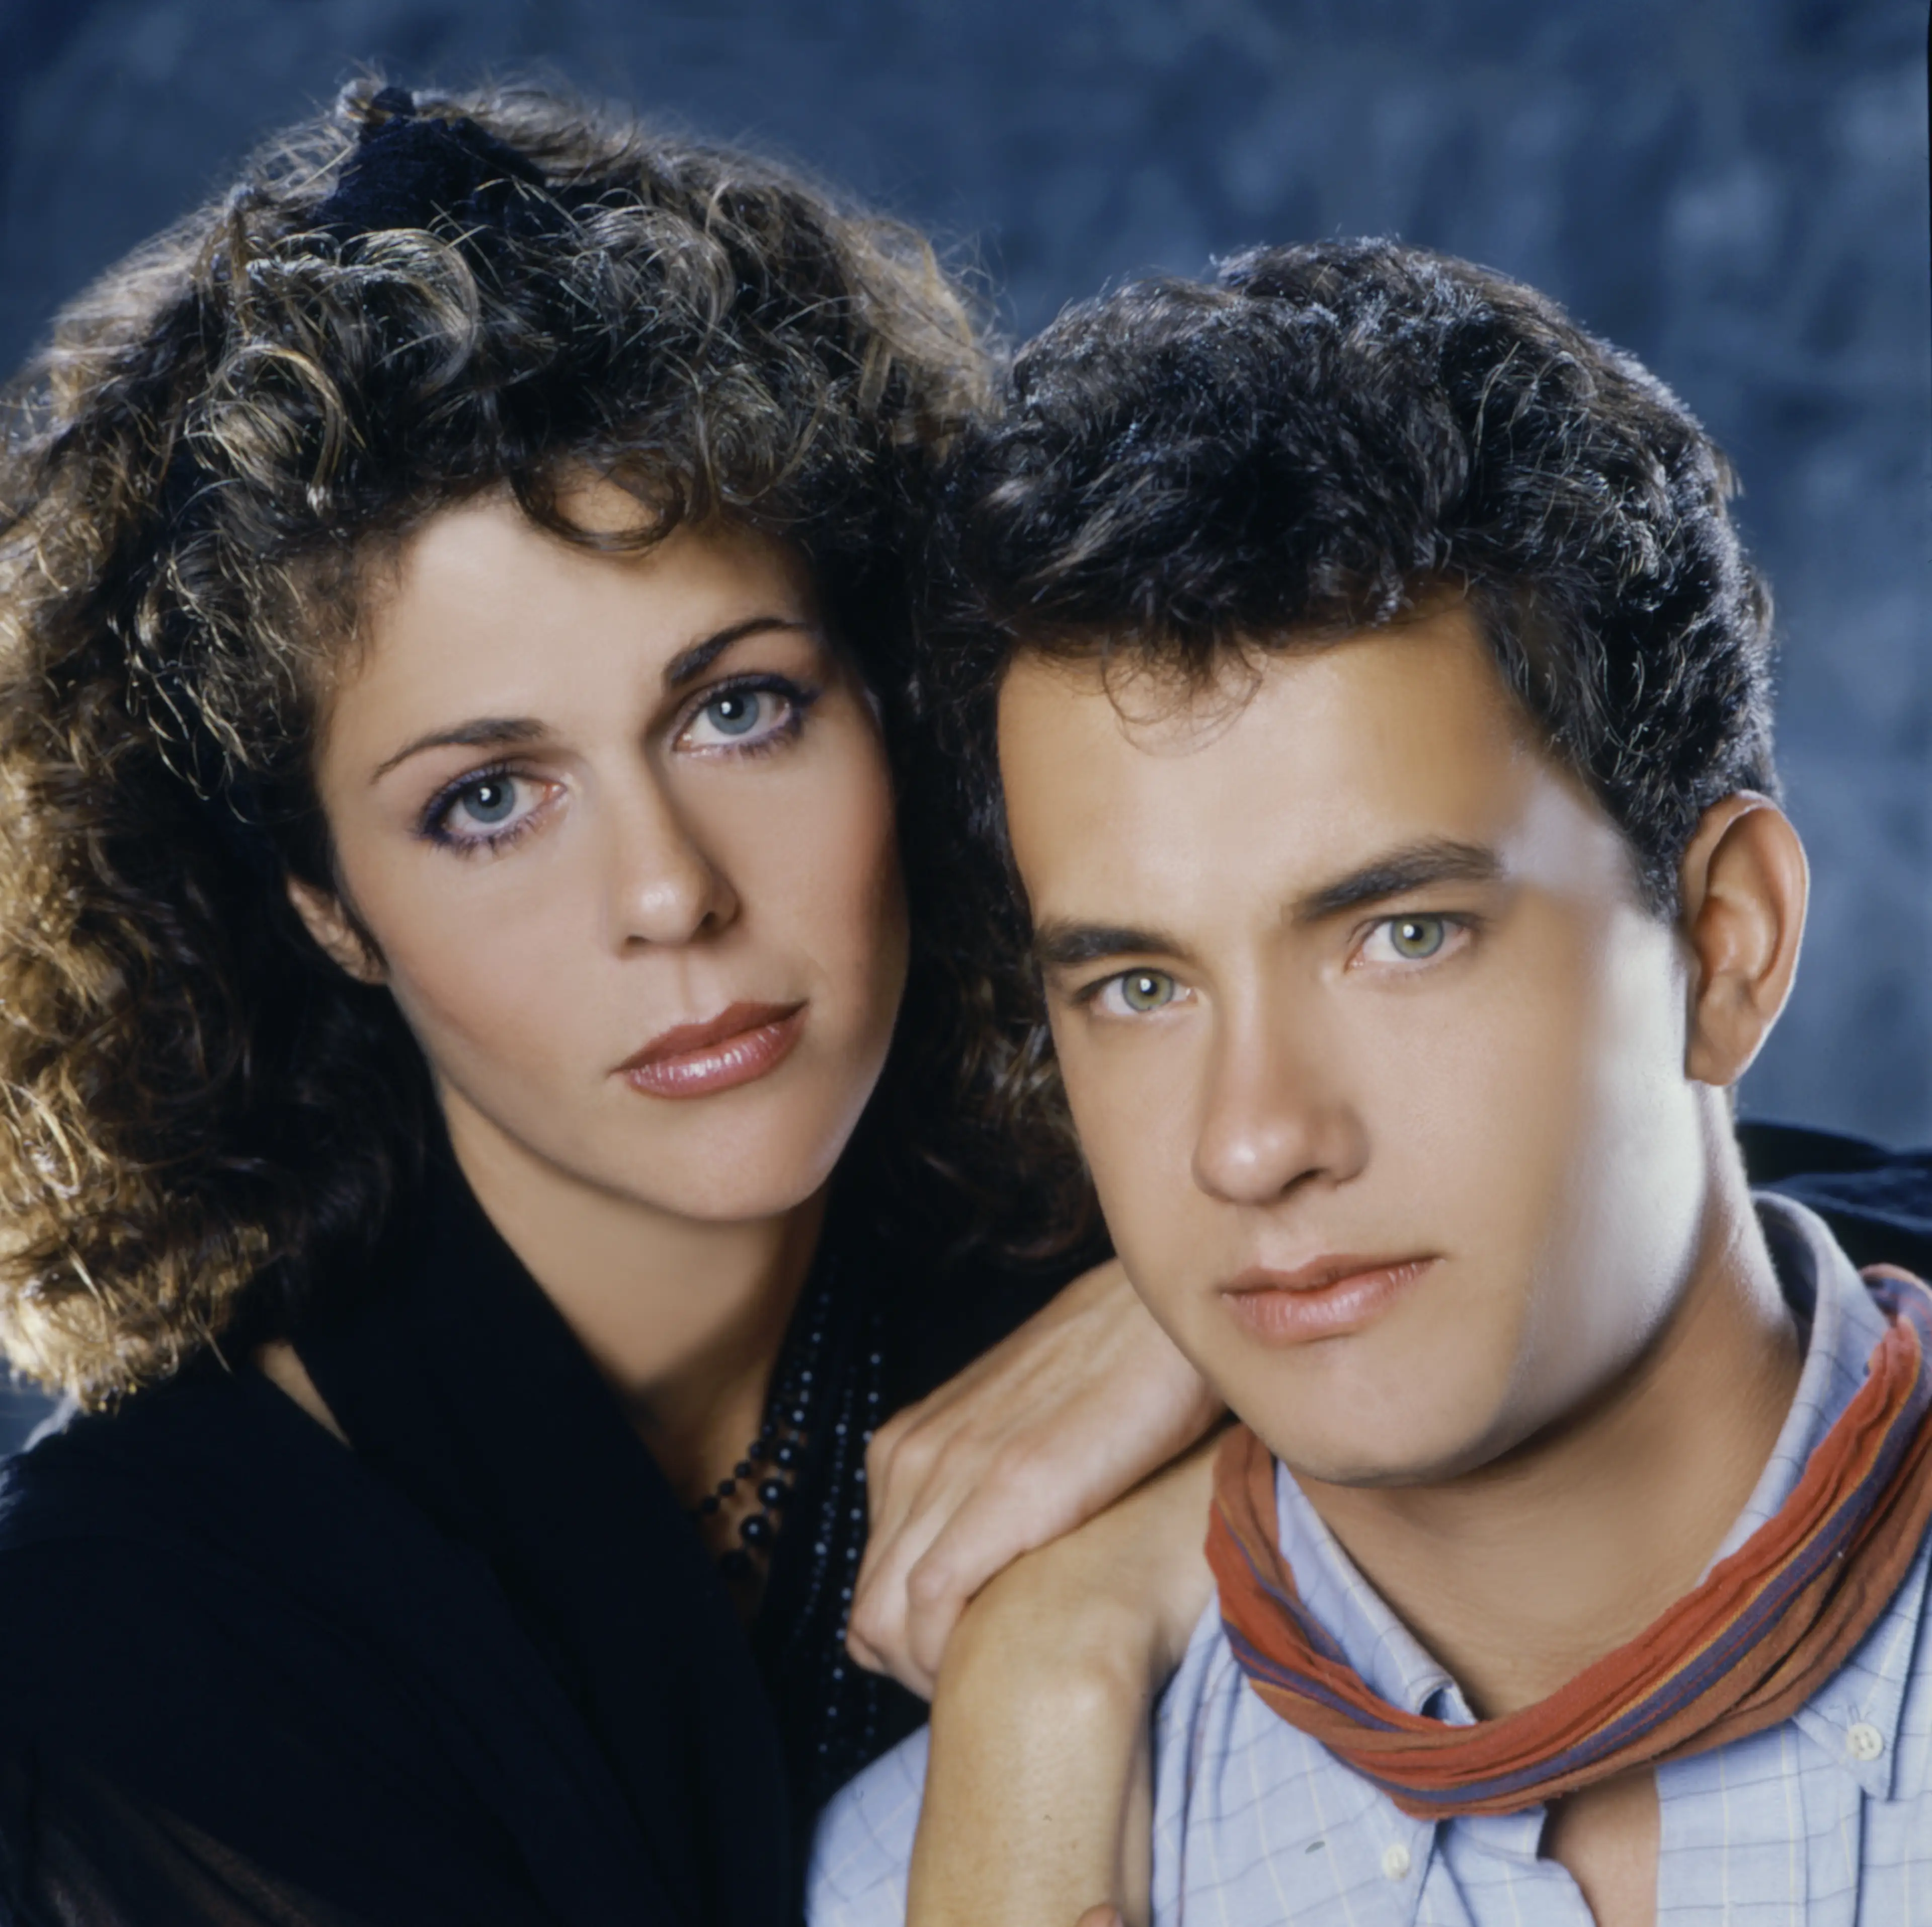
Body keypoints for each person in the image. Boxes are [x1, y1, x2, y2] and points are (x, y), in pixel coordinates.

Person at [0, 78, 1223, 1925]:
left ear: (896, 697)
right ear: (326, 907)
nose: (670, 891)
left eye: (739, 706)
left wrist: (1214, 1319)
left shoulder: (1115, 1260)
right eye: (488, 801)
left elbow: (1772, 1252)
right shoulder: (135, 1637)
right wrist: (1060, 1674)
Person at [809, 240, 1932, 1923]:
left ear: (1726, 943)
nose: (1256, 1140)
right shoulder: (936, 1871)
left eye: (1403, 934)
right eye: (1137, 983)